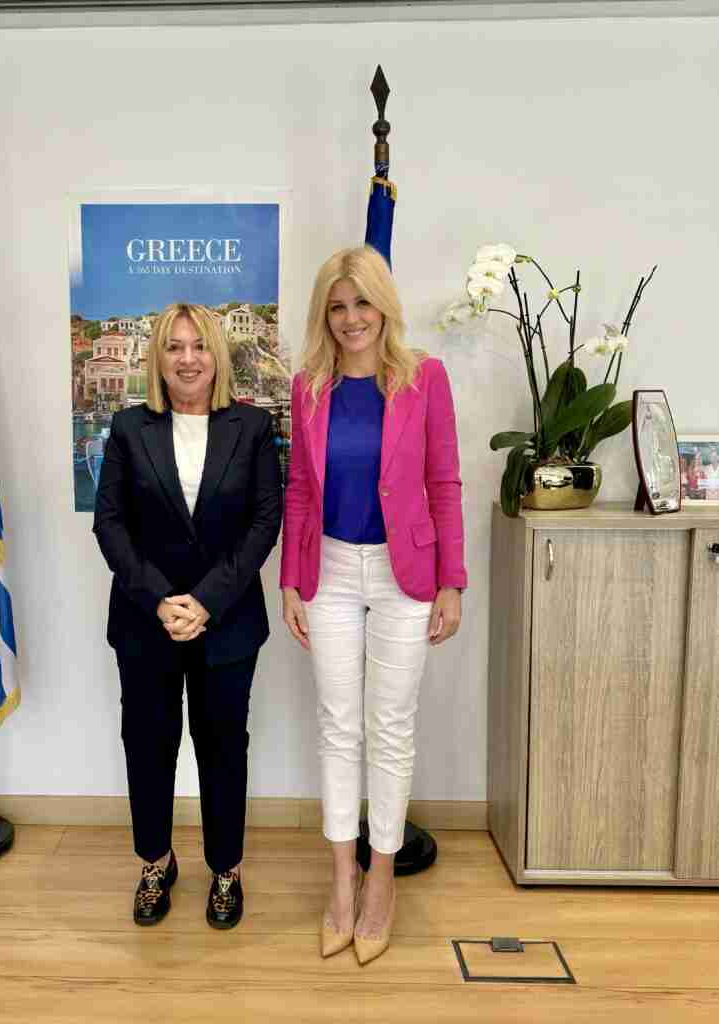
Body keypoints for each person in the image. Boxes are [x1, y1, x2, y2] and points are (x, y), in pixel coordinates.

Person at [280, 246, 467, 964]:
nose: (351, 318)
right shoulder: (308, 387)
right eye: (337, 306)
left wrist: (451, 580)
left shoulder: (425, 378)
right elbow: (300, 488)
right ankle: (341, 881)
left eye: (362, 302)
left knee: (389, 727)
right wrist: (291, 579)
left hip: (403, 571)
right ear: (323, 314)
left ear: (384, 306)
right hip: (328, 567)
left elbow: (443, 481)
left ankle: (381, 880)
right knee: (338, 726)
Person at [93, 302, 283, 930]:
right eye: (174, 347)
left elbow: (265, 523)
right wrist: (160, 598)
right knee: (149, 745)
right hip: (144, 621)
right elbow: (110, 524)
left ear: (216, 355)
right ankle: (156, 862)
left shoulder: (252, 428)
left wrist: (205, 601)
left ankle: (226, 868)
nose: (187, 359)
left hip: (228, 621)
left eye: (199, 346)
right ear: (158, 357)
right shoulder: (129, 427)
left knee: (223, 747)